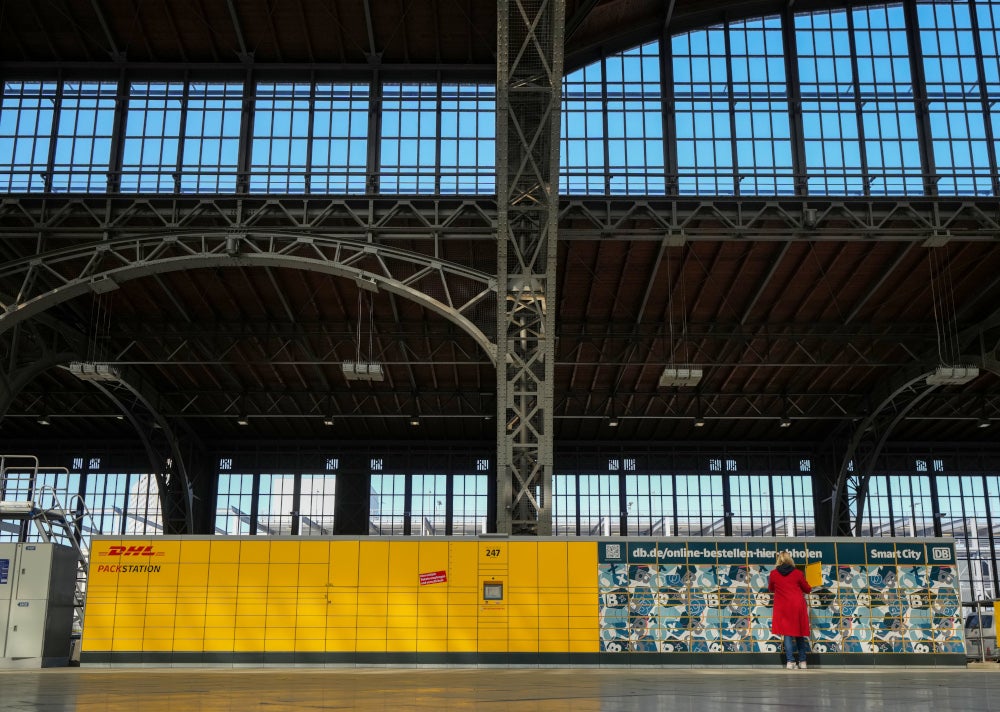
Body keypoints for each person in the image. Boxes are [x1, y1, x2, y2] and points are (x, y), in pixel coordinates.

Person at [769, 551, 813, 669]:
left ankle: (790, 662)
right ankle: (803, 662)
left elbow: (771, 588)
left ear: (779, 560)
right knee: (799, 633)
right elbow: (807, 589)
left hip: (783, 606)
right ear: (790, 560)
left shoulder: (773, 574)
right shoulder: (798, 573)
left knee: (787, 634)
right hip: (797, 605)